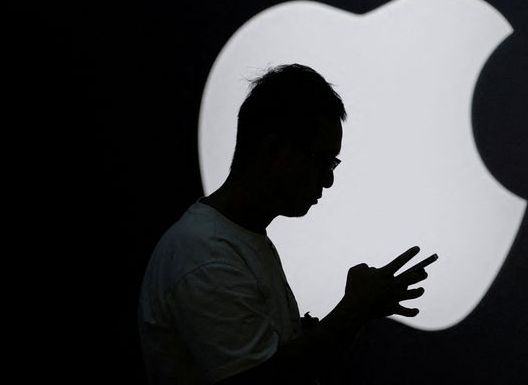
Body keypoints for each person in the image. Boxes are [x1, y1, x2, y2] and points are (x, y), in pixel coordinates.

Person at [138, 64, 435, 385]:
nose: (329, 179)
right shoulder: (206, 255)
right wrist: (354, 311)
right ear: (274, 151)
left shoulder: (237, 240)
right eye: (322, 161)